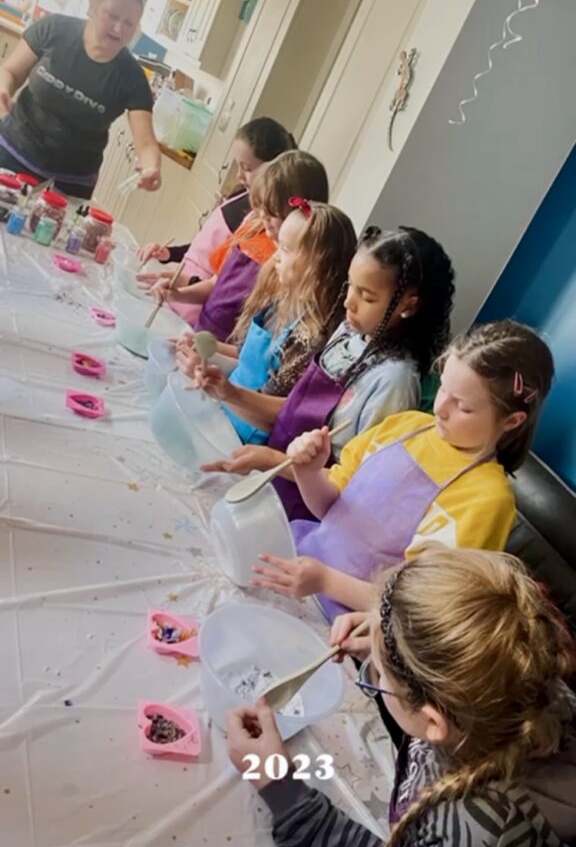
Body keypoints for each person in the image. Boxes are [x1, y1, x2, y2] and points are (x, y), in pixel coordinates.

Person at [227, 545, 576, 847]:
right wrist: (390, 655)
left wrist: (283, 792)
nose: (374, 673)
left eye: (379, 675)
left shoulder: (472, 833)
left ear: (432, 720)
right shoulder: (531, 685)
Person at [251, 320, 555, 621]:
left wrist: (327, 582)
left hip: (352, 626)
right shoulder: (406, 425)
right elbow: (329, 510)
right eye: (443, 389)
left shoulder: (487, 499)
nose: (440, 409)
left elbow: (417, 605)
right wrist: (309, 472)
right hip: (299, 562)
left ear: (512, 421)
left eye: (462, 407)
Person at [201, 226, 455, 521]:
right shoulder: (349, 332)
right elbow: (292, 414)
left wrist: (275, 461)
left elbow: (355, 480)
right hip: (268, 488)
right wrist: (230, 394)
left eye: (367, 296)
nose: (349, 302)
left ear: (408, 305)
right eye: (350, 286)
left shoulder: (394, 380)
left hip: (304, 515)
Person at [178, 201, 357, 444]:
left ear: (317, 264)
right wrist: (201, 347)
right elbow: (247, 356)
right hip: (222, 415)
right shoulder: (282, 300)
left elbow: (279, 416)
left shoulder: (314, 335)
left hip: (245, 439)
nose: (275, 259)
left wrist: (227, 393)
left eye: (284, 249)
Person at [0, 0, 160, 199]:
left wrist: (151, 166)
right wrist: (4, 89)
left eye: (129, 24)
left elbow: (146, 142)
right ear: (93, 7)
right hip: (12, 151)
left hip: (69, 183)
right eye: (112, 15)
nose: (118, 28)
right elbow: (10, 71)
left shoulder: (132, 77)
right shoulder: (54, 29)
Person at [148, 151, 329, 339]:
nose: (264, 216)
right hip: (198, 336)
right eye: (261, 208)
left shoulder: (289, 265)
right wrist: (178, 294)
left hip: (222, 354)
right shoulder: (253, 227)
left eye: (273, 210)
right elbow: (215, 285)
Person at [136, 117, 296, 278]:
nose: (239, 175)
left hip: (193, 293)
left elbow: (223, 280)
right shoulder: (241, 194)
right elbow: (207, 249)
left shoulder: (261, 218)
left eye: (247, 168)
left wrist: (185, 286)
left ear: (272, 170)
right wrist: (169, 254)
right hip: (181, 286)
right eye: (238, 165)